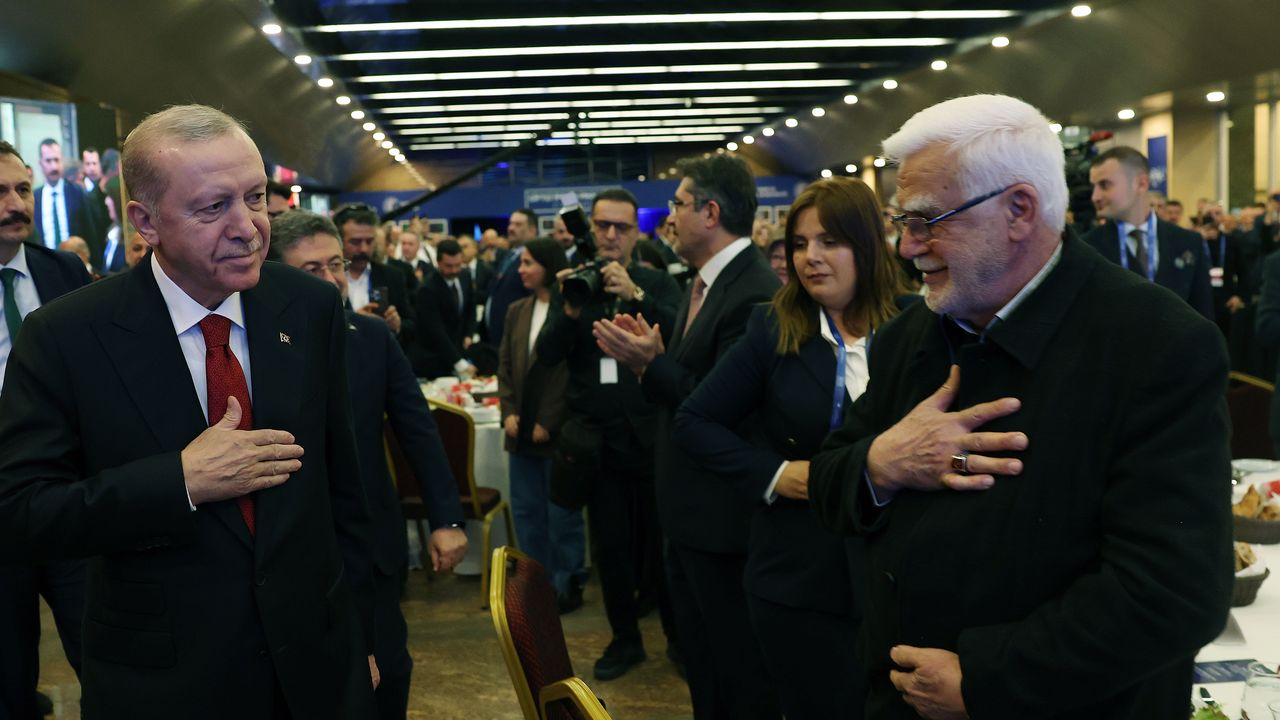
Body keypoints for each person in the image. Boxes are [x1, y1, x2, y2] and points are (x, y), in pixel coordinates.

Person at [808, 94, 1231, 719]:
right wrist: (881, 463)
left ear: (1018, 210)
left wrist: (985, 679)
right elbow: (828, 481)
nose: (906, 246)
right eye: (903, 221)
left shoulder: (1156, 345)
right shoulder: (908, 337)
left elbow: (1173, 590)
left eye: (927, 220)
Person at [0, 105, 381, 719]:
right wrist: (178, 481)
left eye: (255, 198)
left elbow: (344, 490)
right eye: (213, 208)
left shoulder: (309, 307)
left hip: (315, 666)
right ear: (145, 222)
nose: (248, 228)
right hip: (165, 680)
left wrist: (363, 631)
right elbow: (22, 512)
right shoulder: (67, 335)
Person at [676, 177, 911, 719]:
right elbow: (694, 421)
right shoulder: (774, 326)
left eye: (830, 241)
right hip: (801, 577)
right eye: (800, 244)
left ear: (866, 245)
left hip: (897, 575)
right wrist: (776, 475)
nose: (810, 258)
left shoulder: (915, 324)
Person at [595, 155, 782, 719]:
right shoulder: (705, 282)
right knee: (705, 666)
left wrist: (651, 365)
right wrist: (655, 359)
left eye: (677, 204)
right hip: (691, 514)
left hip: (721, 520)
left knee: (734, 674)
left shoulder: (750, 291)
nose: (669, 218)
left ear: (711, 212)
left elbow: (719, 403)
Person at [269, 209, 468, 720]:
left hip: (373, 545)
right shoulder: (257, 347)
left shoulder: (372, 337)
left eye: (336, 264)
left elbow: (417, 429)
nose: (332, 278)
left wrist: (446, 519)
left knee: (390, 674)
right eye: (312, 269)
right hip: (293, 549)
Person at [536, 188, 682, 681]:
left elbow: (679, 333)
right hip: (597, 443)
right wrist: (570, 310)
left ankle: (679, 640)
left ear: (636, 233)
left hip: (652, 437)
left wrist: (634, 294)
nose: (611, 235)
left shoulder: (652, 281)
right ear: (591, 229)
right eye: (603, 226)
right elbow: (547, 353)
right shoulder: (574, 283)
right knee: (611, 550)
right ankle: (625, 640)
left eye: (622, 227)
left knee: (664, 547)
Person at [0, 139, 92, 720]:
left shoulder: (63, 271)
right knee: (9, 676)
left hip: (68, 495)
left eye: (23, 189)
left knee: (101, 647)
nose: (16, 204)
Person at [496, 237, 586, 611]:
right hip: (520, 429)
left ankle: (569, 581)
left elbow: (568, 373)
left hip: (557, 431)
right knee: (527, 513)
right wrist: (508, 412)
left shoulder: (571, 310)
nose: (521, 270)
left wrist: (548, 421)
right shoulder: (517, 310)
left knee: (561, 514)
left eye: (528, 263)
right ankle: (538, 584)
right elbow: (504, 366)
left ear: (548, 266)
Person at [1083, 146, 1213, 320]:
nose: (1095, 197)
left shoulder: (1188, 241)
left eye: (1105, 185)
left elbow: (1203, 315)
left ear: (1141, 183)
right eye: (1094, 187)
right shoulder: (1088, 248)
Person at [335, 203, 415, 348]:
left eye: (369, 241)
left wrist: (397, 325)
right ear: (338, 241)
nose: (364, 249)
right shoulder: (328, 279)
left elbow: (411, 325)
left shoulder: (393, 276)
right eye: (355, 242)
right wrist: (353, 322)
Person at [411, 239, 477, 378]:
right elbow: (436, 331)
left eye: (457, 265)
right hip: (434, 360)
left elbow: (470, 307)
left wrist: (469, 334)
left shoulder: (465, 276)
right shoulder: (427, 289)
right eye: (448, 266)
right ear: (438, 262)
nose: (454, 270)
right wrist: (459, 363)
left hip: (459, 350)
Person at [32, 138, 102, 268]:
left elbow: (91, 233)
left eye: (56, 160)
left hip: (74, 265)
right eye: (48, 161)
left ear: (62, 161)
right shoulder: (35, 198)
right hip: (44, 266)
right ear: (40, 163)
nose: (53, 166)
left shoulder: (77, 193)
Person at [485, 209, 537, 344]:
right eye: (511, 224)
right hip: (498, 336)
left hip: (517, 337)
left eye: (518, 225)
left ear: (532, 230)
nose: (511, 228)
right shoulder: (509, 255)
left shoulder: (536, 258)